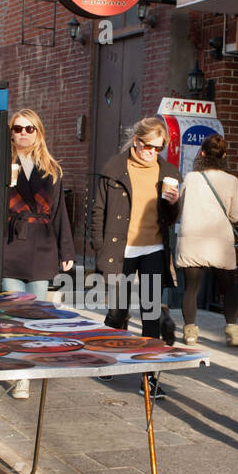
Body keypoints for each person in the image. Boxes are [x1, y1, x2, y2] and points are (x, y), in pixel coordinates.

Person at [91, 116, 180, 402]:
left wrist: (175, 204)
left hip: (152, 249)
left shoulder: (167, 172)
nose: (153, 152)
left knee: (151, 313)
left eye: (159, 147)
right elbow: (98, 212)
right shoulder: (115, 168)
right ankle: (108, 357)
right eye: (149, 146)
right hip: (121, 249)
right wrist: (99, 247)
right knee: (118, 310)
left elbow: (170, 220)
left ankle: (148, 377)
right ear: (137, 141)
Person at [1, 109, 74, 399]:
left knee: (34, 316)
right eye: (17, 129)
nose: (23, 134)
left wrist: (66, 249)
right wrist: (1, 184)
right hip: (11, 246)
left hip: (42, 247)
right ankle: (19, 373)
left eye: (29, 129)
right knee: (14, 314)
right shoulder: (2, 165)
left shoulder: (51, 170)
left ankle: (24, 371)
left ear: (39, 132)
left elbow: (60, 215)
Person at [175, 133, 238, 347]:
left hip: (192, 239)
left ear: (202, 154)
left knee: (191, 288)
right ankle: (233, 332)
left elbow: (179, 207)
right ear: (224, 155)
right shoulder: (232, 180)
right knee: (228, 288)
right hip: (219, 242)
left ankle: (190, 333)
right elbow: (236, 215)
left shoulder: (191, 178)